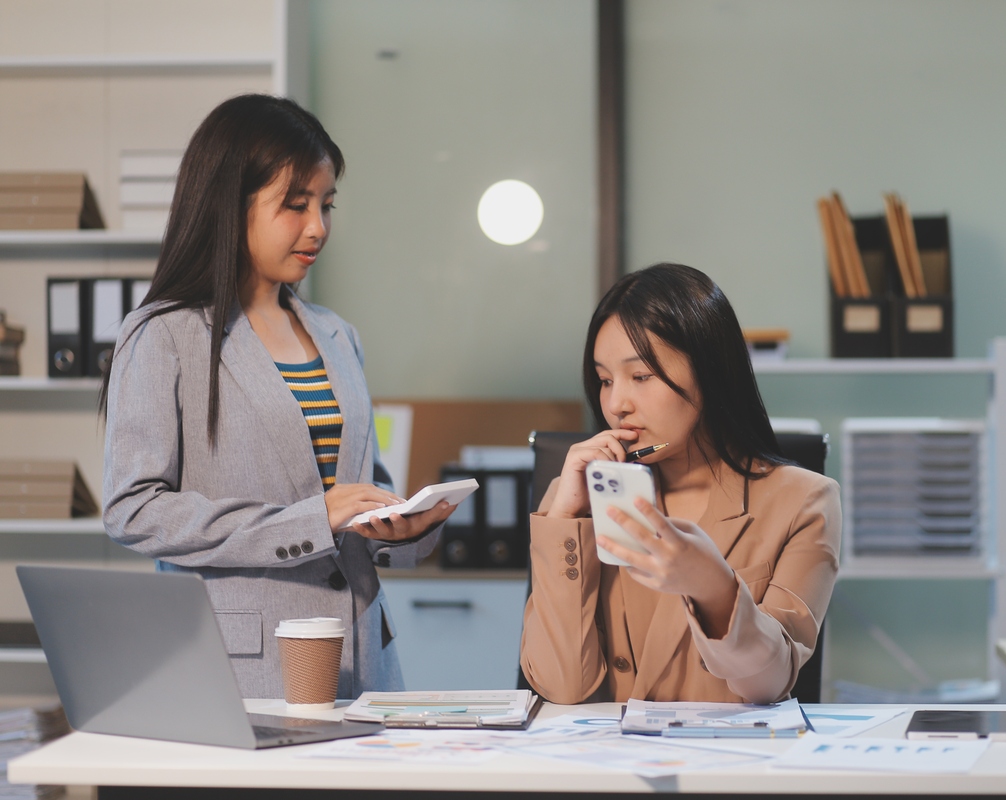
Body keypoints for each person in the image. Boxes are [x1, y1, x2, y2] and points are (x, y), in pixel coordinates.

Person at [101, 94, 454, 699]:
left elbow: (358, 487)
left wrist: (403, 526)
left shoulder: (338, 335)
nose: (318, 226)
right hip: (244, 669)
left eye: (325, 204)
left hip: (366, 661)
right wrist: (314, 518)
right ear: (229, 202)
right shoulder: (164, 334)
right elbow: (133, 508)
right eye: (296, 205)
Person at [520, 263, 841, 704]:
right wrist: (562, 519)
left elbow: (768, 684)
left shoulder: (804, 501)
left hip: (725, 767)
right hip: (601, 766)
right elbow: (560, 688)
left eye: (641, 376)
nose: (616, 404)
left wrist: (715, 587)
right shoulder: (578, 499)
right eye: (605, 380)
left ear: (710, 371)